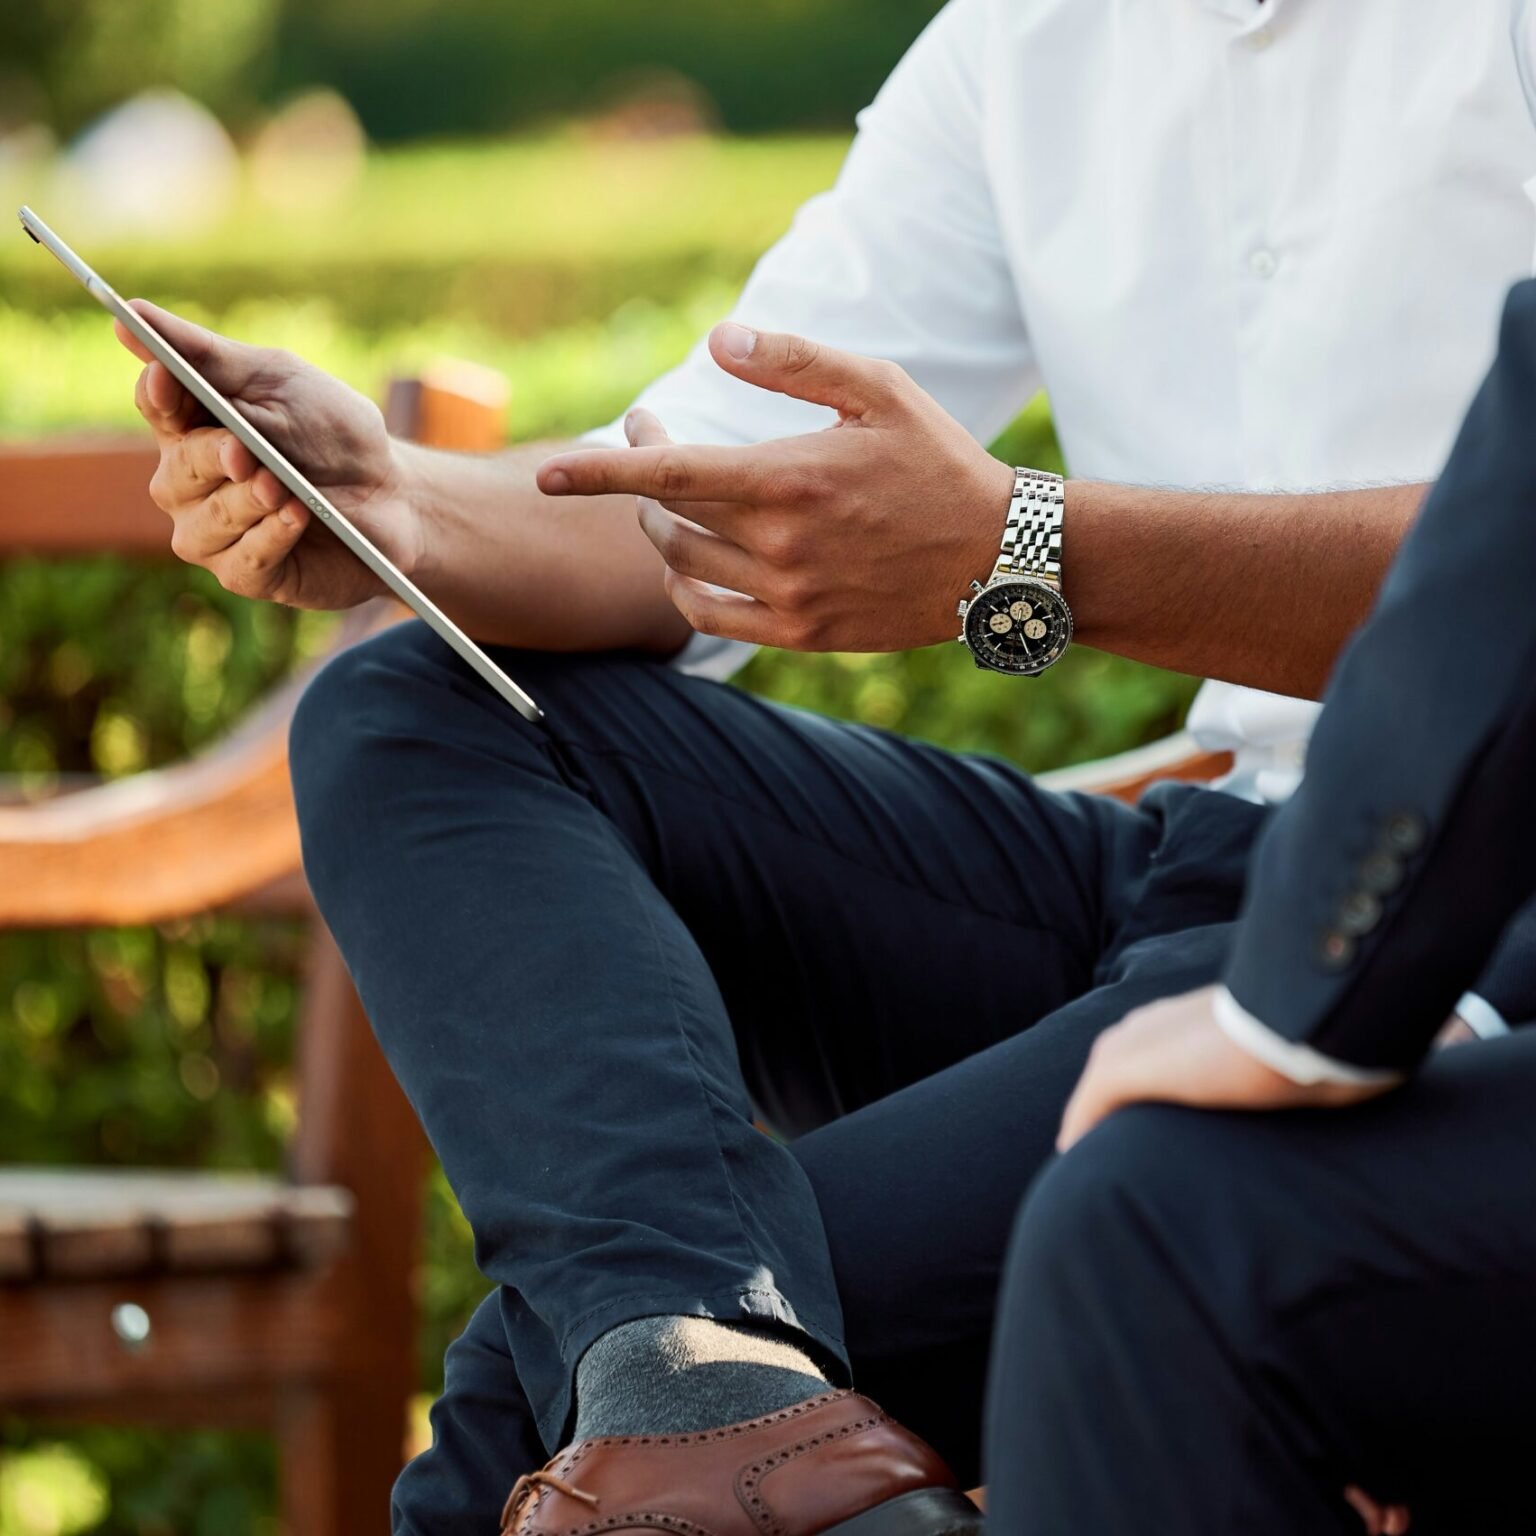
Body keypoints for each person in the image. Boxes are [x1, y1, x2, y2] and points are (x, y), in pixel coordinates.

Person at [114, 2, 1536, 1531]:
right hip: (1197, 866)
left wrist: (1027, 551)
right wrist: (395, 504)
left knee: (513, 1430)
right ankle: (701, 1375)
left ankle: (691, 1395)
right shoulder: (1029, 37)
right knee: (411, 710)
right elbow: (705, 488)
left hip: (1461, 899)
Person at [983, 277, 1536, 1535]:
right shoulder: (996, 77)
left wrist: (1013, 541)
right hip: (1199, 852)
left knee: (1144, 1229)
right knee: (606, 1333)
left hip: (1364, 909)